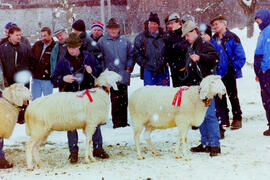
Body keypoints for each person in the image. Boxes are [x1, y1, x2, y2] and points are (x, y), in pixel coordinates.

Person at [51, 33, 109, 163]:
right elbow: (54, 79)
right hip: (71, 96)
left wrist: (92, 70)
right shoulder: (63, 60)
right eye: (69, 48)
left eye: (74, 47)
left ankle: (98, 148)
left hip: (87, 94)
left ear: (79, 46)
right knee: (71, 123)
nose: (71, 50)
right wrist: (63, 79)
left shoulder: (88, 56)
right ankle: (73, 151)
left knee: (93, 120)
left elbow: (100, 71)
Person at [181, 20, 221, 156]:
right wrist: (185, 83)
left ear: (194, 31)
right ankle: (205, 143)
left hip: (206, 87)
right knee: (200, 116)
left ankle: (215, 145)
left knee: (209, 115)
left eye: (187, 35)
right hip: (196, 87)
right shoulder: (191, 48)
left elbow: (216, 58)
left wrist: (201, 57)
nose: (186, 38)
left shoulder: (204, 44)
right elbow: (190, 69)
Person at [210, 14, 246, 130]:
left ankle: (237, 118)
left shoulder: (233, 37)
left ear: (224, 23)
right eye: (213, 24)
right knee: (221, 97)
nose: (215, 26)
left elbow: (241, 56)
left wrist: (233, 68)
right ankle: (224, 118)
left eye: (217, 23)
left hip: (229, 72)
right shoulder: (213, 39)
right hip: (218, 73)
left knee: (233, 96)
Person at [98, 18, 134, 128]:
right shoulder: (102, 41)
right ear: (108, 29)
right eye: (111, 29)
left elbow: (131, 55)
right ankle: (116, 122)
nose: (113, 31)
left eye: (115, 28)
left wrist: (129, 68)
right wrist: (104, 71)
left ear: (119, 29)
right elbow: (100, 57)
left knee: (124, 98)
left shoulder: (125, 40)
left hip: (123, 73)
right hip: (110, 76)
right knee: (114, 99)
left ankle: (124, 121)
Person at [200, 23, 226, 139]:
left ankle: (221, 127)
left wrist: (219, 76)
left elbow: (222, 62)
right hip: (207, 82)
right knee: (211, 106)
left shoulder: (215, 46)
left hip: (216, 80)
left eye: (205, 34)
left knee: (219, 105)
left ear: (210, 35)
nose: (203, 37)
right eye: (201, 34)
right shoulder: (201, 47)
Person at [133, 12, 170, 86]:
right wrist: (144, 64)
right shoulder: (141, 37)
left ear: (158, 25)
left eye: (155, 24)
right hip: (148, 70)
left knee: (164, 93)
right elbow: (136, 53)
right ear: (148, 24)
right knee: (149, 94)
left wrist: (166, 60)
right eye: (151, 23)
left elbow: (170, 50)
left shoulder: (165, 36)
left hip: (162, 69)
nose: (153, 26)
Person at [254, 9, 270, 136]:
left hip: (267, 71)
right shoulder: (264, 31)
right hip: (263, 71)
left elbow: (267, 53)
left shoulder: (268, 31)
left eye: (258, 20)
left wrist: (263, 69)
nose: (257, 23)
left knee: (268, 98)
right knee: (266, 98)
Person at [164, 12, 189, 87]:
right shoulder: (169, 35)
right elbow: (167, 51)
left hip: (185, 68)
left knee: (186, 91)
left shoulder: (185, 32)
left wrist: (175, 46)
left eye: (172, 23)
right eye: (169, 23)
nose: (170, 25)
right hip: (174, 69)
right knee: (177, 91)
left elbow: (185, 47)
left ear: (178, 22)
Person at [31, 27, 55, 100]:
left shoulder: (55, 47)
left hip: (47, 80)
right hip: (35, 78)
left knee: (47, 101)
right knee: (35, 100)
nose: (43, 38)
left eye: (45, 35)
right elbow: (31, 58)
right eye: (42, 36)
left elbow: (57, 62)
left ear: (50, 35)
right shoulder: (37, 44)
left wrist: (50, 71)